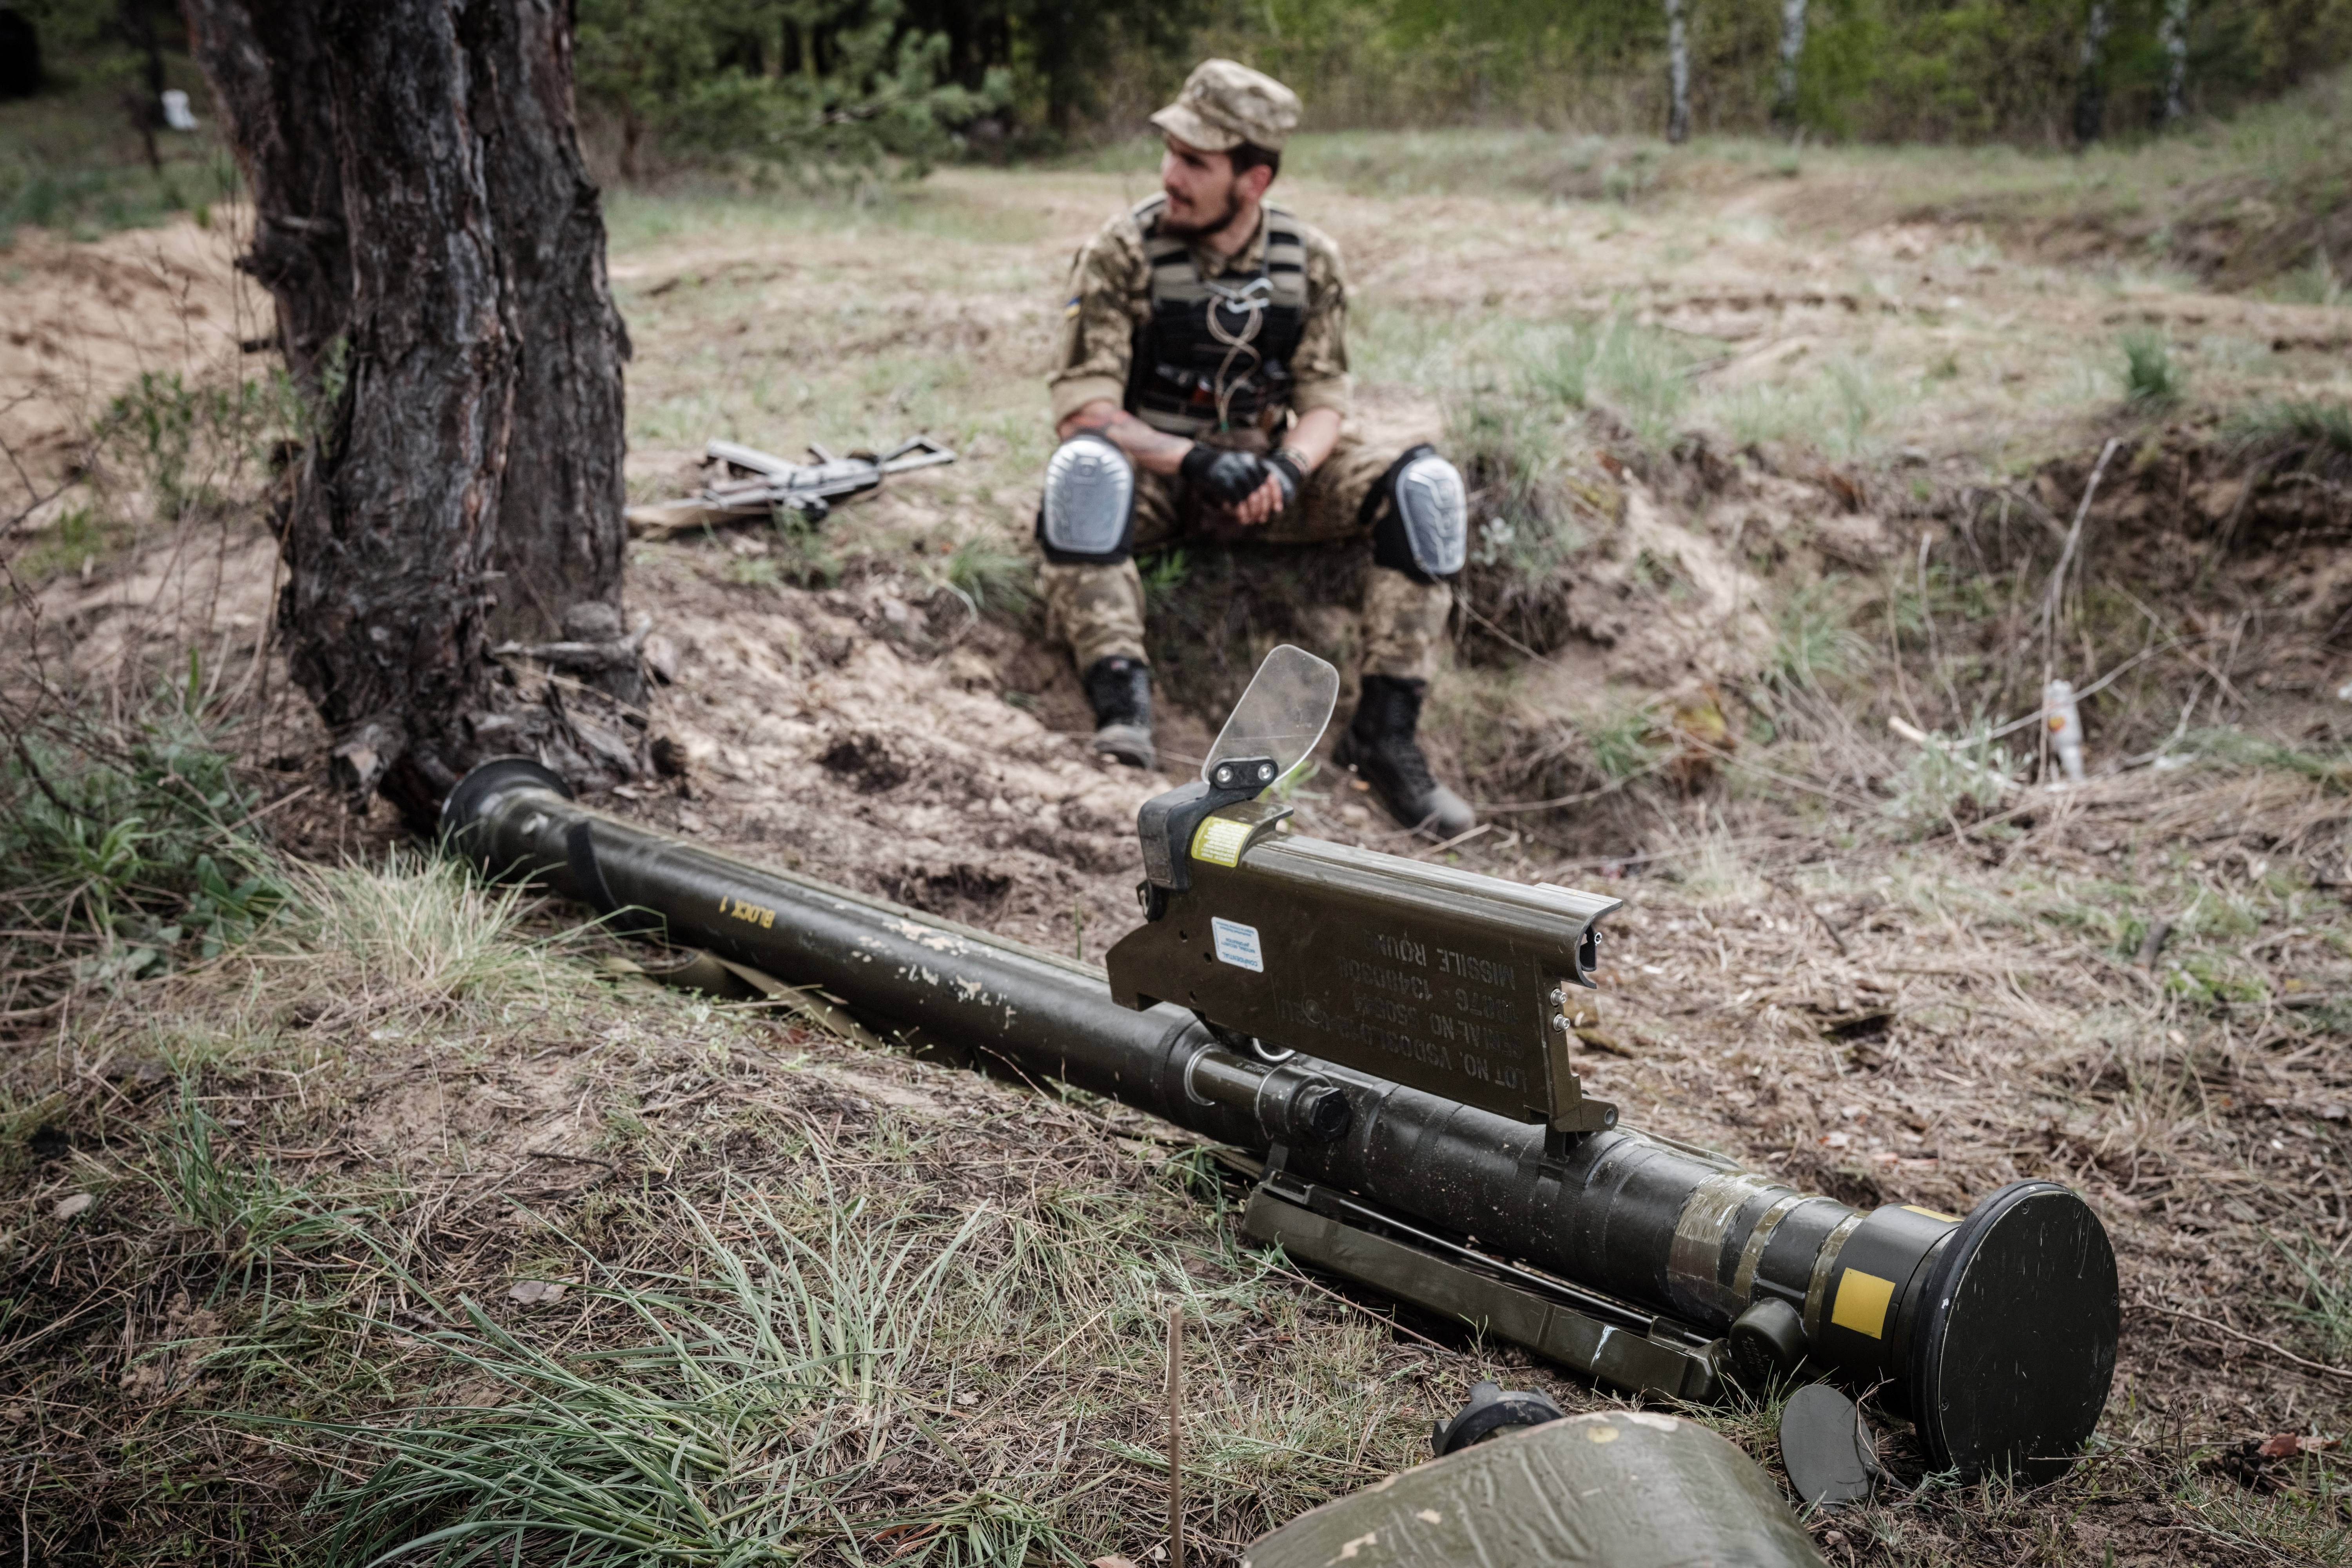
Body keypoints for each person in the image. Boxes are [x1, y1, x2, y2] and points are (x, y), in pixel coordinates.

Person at [1036, 58, 1475, 839]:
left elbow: (1325, 401)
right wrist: (1196, 460)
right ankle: (1120, 706)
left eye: (1195, 162)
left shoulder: (1309, 261)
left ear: (1254, 179)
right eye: (1170, 152)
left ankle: (1385, 737)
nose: (1171, 174)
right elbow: (1084, 408)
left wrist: (1287, 468)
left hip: (1274, 478)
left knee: (1429, 488)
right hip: (1161, 478)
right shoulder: (1122, 252)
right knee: (1083, 475)